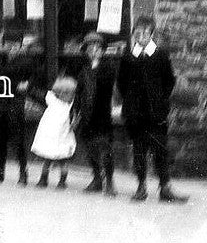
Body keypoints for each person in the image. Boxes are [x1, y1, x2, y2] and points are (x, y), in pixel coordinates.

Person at [117, 16, 187, 203]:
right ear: (133, 35)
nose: (142, 37)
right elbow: (122, 83)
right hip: (135, 115)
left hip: (155, 113)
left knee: (160, 150)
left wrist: (159, 100)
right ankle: (141, 187)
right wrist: (132, 101)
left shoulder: (160, 55)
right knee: (139, 151)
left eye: (146, 33)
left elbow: (169, 81)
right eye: (138, 33)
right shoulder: (128, 56)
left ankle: (165, 187)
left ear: (152, 34)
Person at [74, 31, 118, 196]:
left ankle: (110, 182)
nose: (93, 51)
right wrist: (77, 112)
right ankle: (97, 179)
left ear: (103, 50)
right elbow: (79, 92)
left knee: (105, 148)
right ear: (86, 51)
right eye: (90, 48)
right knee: (90, 148)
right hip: (86, 115)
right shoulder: (83, 70)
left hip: (102, 114)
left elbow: (108, 88)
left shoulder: (108, 67)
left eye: (97, 48)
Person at [31, 75, 77, 188]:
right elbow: (48, 94)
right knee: (51, 159)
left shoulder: (68, 105)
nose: (67, 95)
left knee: (59, 160)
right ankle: (45, 179)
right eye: (64, 92)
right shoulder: (55, 101)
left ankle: (58, 181)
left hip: (62, 137)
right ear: (59, 92)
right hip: (52, 137)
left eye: (70, 93)